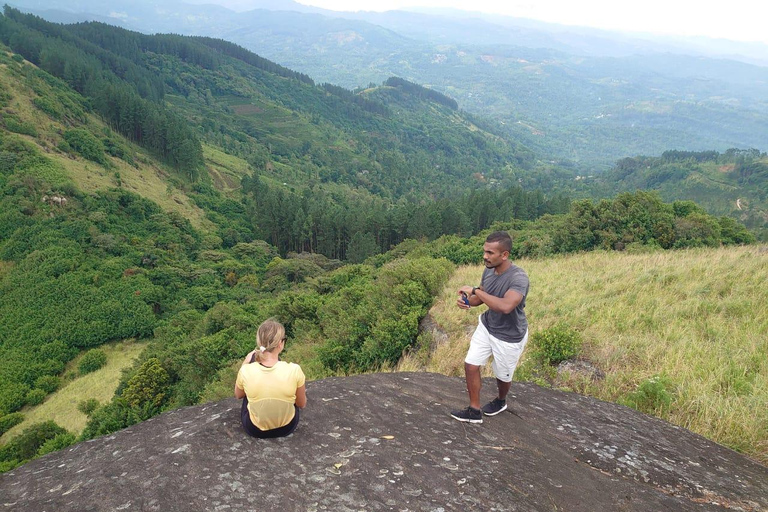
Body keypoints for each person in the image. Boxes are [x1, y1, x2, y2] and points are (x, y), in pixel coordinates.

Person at [450, 231, 529, 424]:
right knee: (471, 364)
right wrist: (468, 301)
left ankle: (501, 401)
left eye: (490, 253)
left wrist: (475, 291)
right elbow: (483, 297)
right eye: (485, 251)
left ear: (504, 255)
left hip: (509, 336)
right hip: (487, 326)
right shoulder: (488, 270)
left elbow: (505, 306)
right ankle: (474, 410)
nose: (485, 256)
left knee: (502, 376)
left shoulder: (518, 278)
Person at [234, 319, 307, 438]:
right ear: (280, 344)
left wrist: (245, 363)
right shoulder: (294, 370)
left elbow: (238, 395)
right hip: (287, 427)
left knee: (248, 391)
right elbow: (301, 404)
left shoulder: (246, 370)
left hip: (255, 429)